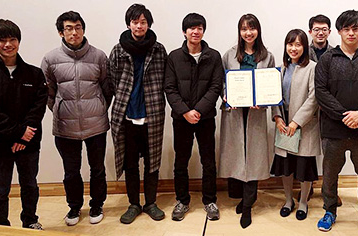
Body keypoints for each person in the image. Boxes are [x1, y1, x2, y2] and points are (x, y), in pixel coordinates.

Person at [314, 10, 358, 236]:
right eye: (346, 29)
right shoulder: (327, 59)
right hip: (333, 129)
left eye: (355, 28)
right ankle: (329, 211)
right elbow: (321, 92)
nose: (351, 33)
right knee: (330, 174)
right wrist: (346, 115)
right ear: (339, 31)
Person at [0, 19, 48, 230]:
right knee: (0, 190)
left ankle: (30, 221)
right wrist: (18, 133)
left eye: (12, 39)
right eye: (2, 40)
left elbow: (38, 108)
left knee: (30, 185)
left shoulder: (35, 74)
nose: (8, 44)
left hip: (29, 143)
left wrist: (25, 135)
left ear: (19, 41)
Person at [41, 11, 111, 226]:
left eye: (78, 27)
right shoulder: (50, 59)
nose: (74, 32)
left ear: (83, 29)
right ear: (61, 33)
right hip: (65, 126)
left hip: (96, 124)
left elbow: (107, 88)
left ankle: (97, 204)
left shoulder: (99, 56)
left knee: (97, 168)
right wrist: (61, 109)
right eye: (69, 28)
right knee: (71, 171)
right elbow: (47, 93)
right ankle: (74, 207)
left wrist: (98, 107)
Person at [108, 3, 168, 224]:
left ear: (148, 24)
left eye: (143, 22)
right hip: (126, 116)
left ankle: (150, 202)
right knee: (130, 163)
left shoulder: (159, 50)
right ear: (129, 24)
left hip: (152, 114)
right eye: (135, 21)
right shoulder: (117, 50)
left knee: (153, 162)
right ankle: (133, 204)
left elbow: (165, 81)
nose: (139, 25)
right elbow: (112, 82)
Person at [218, 13, 276, 229]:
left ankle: (249, 204)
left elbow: (271, 84)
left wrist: (264, 101)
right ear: (239, 32)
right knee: (237, 156)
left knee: (253, 157)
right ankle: (241, 197)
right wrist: (226, 96)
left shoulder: (267, 56)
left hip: (256, 114)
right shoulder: (229, 55)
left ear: (258, 30)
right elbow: (223, 82)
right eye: (244, 28)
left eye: (252, 28)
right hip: (234, 113)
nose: (248, 32)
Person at [164, 12, 223, 222]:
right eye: (191, 28)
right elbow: (169, 88)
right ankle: (182, 200)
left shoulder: (214, 56)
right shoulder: (174, 57)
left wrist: (198, 110)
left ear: (203, 31)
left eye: (199, 28)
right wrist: (185, 112)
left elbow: (216, 86)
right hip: (181, 119)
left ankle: (210, 200)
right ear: (184, 31)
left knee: (209, 161)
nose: (195, 31)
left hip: (205, 118)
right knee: (181, 161)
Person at [270, 29, 319, 221]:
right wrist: (277, 118)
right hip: (284, 126)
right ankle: (288, 200)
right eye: (290, 44)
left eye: (298, 44)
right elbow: (273, 96)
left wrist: (296, 122)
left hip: (304, 127)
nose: (294, 48)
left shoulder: (313, 67)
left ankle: (303, 203)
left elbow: (313, 98)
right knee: (286, 167)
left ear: (305, 47)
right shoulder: (280, 68)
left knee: (304, 169)